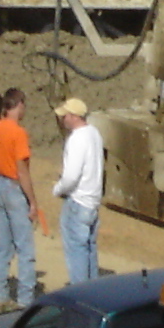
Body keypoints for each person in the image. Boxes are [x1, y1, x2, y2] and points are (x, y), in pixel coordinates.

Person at [0, 88, 44, 311]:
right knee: (25, 250)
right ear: (19, 105)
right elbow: (23, 170)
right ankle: (24, 302)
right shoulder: (19, 133)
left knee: (3, 247)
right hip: (14, 188)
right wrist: (33, 202)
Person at [51, 95, 104, 286]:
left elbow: (71, 176)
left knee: (76, 251)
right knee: (89, 248)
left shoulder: (76, 139)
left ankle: (79, 292)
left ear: (74, 116)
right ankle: (93, 291)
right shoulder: (95, 134)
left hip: (77, 202)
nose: (63, 119)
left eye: (66, 115)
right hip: (92, 203)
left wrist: (58, 189)